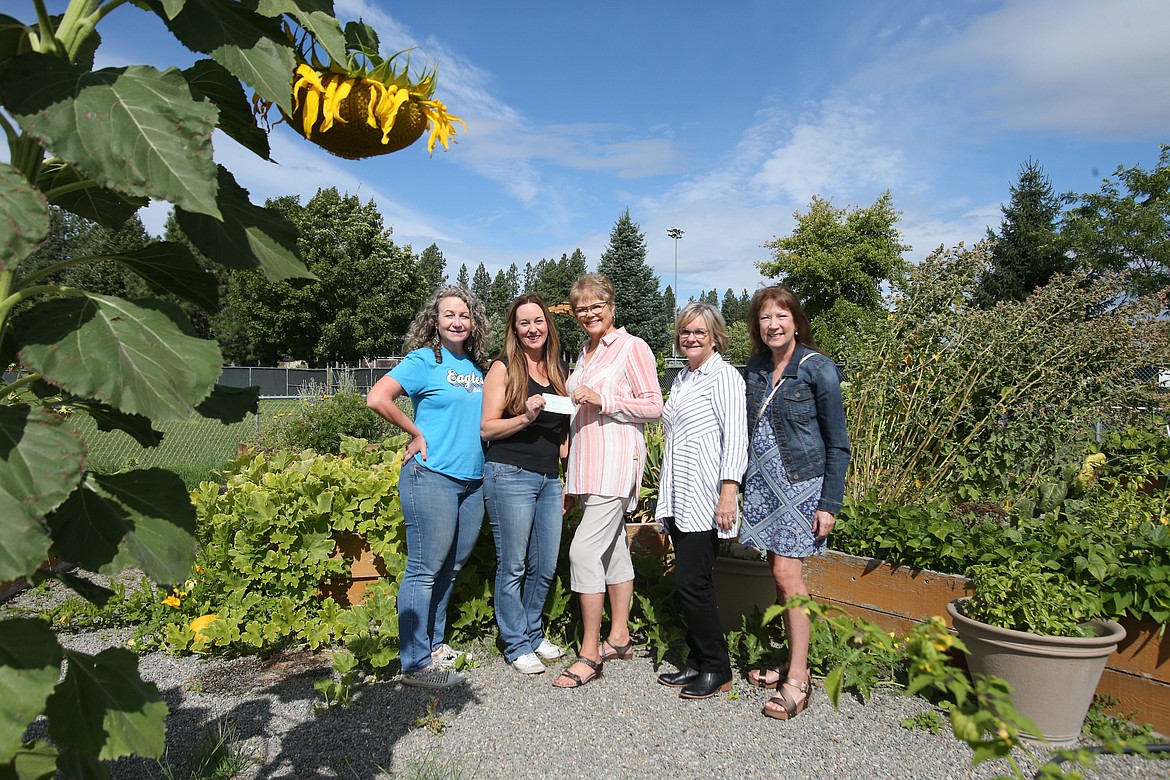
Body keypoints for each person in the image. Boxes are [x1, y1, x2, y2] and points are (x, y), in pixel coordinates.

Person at [366, 287, 491, 689]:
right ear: (434, 321)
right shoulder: (423, 360)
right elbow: (377, 398)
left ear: (474, 323)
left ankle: (434, 645)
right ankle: (415, 663)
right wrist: (414, 432)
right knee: (424, 569)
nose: (457, 321)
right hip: (431, 475)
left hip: (472, 480)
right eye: (449, 314)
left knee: (451, 566)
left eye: (464, 315)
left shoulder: (476, 366)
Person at [739, 285, 850, 719]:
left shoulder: (817, 369)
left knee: (788, 574)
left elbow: (838, 444)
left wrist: (830, 503)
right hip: (764, 484)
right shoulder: (755, 368)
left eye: (781, 316)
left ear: (796, 321)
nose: (773, 325)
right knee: (779, 575)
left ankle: (799, 678)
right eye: (765, 318)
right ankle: (791, 659)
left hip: (801, 485)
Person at [554, 273, 663, 688]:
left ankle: (589, 652)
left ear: (611, 307)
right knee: (613, 551)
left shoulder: (633, 348)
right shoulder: (585, 353)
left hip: (615, 464)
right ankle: (619, 637)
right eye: (581, 309)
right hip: (586, 466)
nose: (589, 315)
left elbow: (655, 406)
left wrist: (606, 400)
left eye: (596, 306)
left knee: (582, 553)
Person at [654, 303, 748, 699]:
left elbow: (736, 438)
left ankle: (716, 667)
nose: (690, 338)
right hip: (679, 493)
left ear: (715, 337)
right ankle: (697, 661)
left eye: (699, 332)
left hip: (706, 494)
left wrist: (729, 492)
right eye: (685, 332)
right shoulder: (682, 379)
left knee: (693, 583)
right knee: (693, 582)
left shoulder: (724, 377)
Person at [480, 294, 571, 675]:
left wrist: (570, 472)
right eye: (524, 323)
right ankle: (515, 642)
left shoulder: (558, 369)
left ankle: (533, 633)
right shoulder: (504, 368)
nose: (532, 328)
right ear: (514, 330)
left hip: (550, 478)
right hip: (509, 474)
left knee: (545, 564)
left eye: (538, 321)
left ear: (548, 325)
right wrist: (525, 418)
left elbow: (563, 435)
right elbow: (487, 427)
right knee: (514, 565)